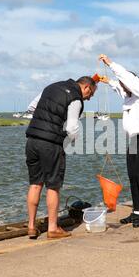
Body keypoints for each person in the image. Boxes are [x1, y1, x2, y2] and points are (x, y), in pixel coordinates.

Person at [25, 76, 97, 239]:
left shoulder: (51, 86)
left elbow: (31, 107)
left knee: (35, 184)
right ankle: (52, 228)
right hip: (51, 144)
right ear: (86, 87)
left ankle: (30, 226)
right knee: (53, 186)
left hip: (32, 140)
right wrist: (69, 140)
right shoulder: (75, 98)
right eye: (91, 94)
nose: (90, 97)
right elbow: (72, 128)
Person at [99, 54, 139, 228]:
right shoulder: (129, 97)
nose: (123, 88)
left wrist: (110, 63)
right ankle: (137, 212)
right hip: (135, 139)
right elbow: (119, 86)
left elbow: (125, 78)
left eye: (125, 85)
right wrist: (107, 81)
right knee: (133, 177)